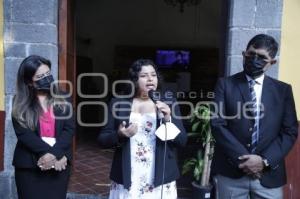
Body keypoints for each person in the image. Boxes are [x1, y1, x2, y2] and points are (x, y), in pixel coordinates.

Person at [211, 34, 298, 199]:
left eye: (262, 57)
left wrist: (263, 161)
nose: (254, 59)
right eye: (251, 54)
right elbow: (217, 124)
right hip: (231, 173)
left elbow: (290, 131)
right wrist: (245, 161)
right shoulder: (225, 85)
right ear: (244, 54)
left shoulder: (283, 90)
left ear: (272, 62)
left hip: (268, 175)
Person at [98, 59, 187, 199]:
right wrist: (120, 134)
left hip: (158, 175)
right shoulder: (119, 103)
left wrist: (168, 119)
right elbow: (103, 139)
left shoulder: (168, 102)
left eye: (153, 75)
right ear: (135, 79)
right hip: (128, 173)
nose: (150, 79)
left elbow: (182, 141)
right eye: (144, 75)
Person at [12, 55, 75, 199]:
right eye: (40, 76)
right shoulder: (19, 101)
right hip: (29, 167)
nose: (46, 79)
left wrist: (56, 154)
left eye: (48, 74)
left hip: (60, 163)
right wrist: (49, 154)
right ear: (29, 82)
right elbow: (23, 133)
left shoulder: (64, 97)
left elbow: (69, 128)